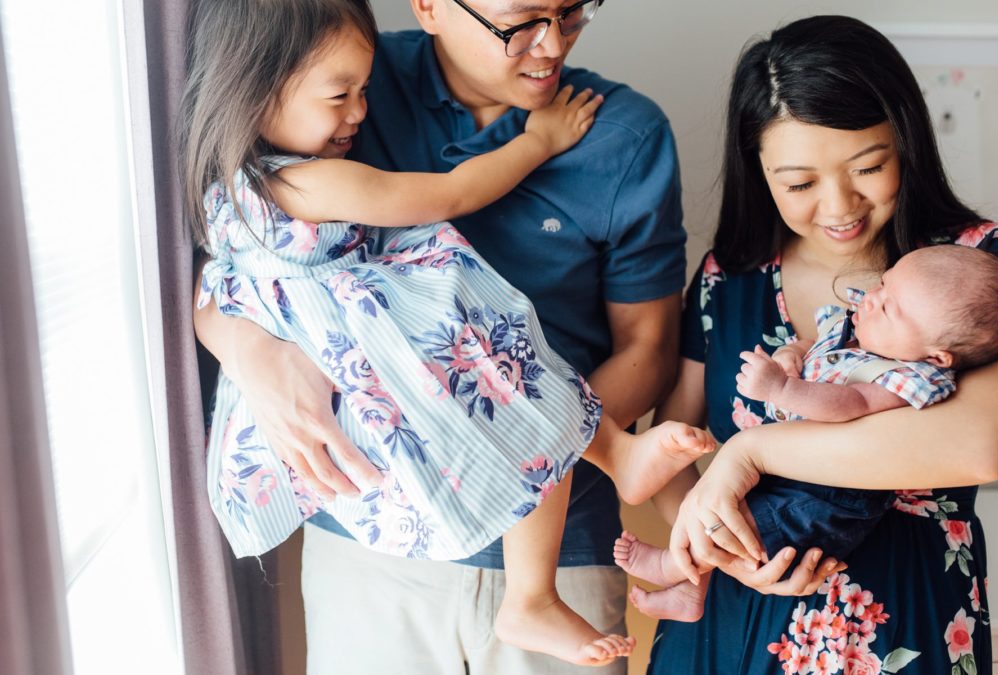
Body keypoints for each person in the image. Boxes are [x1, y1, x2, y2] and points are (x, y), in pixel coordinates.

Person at [190, 0, 759, 672]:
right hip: (373, 541)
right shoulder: (341, 75)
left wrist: (521, 442)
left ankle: (594, 480)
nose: (550, 45)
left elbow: (650, 351)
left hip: (558, 542)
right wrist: (253, 353)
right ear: (429, 6)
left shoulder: (624, 136)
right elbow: (234, 281)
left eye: (573, 11)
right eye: (519, 20)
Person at [642, 14, 998, 674]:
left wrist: (748, 451)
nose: (839, 206)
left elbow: (981, 443)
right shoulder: (730, 276)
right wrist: (721, 544)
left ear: (905, 142)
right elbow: (671, 444)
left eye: (869, 167)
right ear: (760, 169)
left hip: (901, 620)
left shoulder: (990, 266)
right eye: (800, 184)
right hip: (731, 613)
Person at [614, 244, 998, 623]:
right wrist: (790, 356)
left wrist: (782, 389)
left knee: (751, 526)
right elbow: (812, 345)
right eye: (882, 284)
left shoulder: (904, 377)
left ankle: (672, 565)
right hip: (788, 479)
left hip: (827, 498)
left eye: (889, 309)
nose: (872, 300)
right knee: (732, 517)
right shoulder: (860, 334)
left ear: (936, 355)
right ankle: (692, 588)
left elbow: (852, 406)